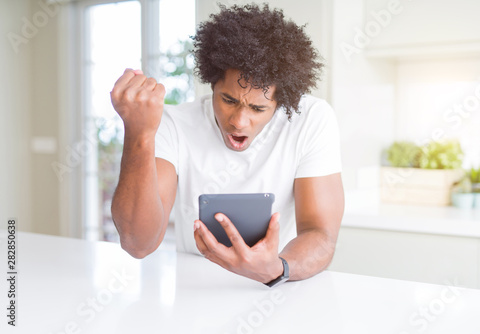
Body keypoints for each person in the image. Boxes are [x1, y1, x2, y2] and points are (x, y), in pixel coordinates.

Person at [110, 4, 344, 286]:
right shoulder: (174, 123)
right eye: (229, 100)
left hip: (278, 289)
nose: (239, 122)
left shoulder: (311, 120)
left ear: (281, 104)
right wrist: (139, 134)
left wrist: (276, 269)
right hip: (196, 293)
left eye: (257, 108)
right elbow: (138, 244)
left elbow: (321, 234)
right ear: (212, 85)